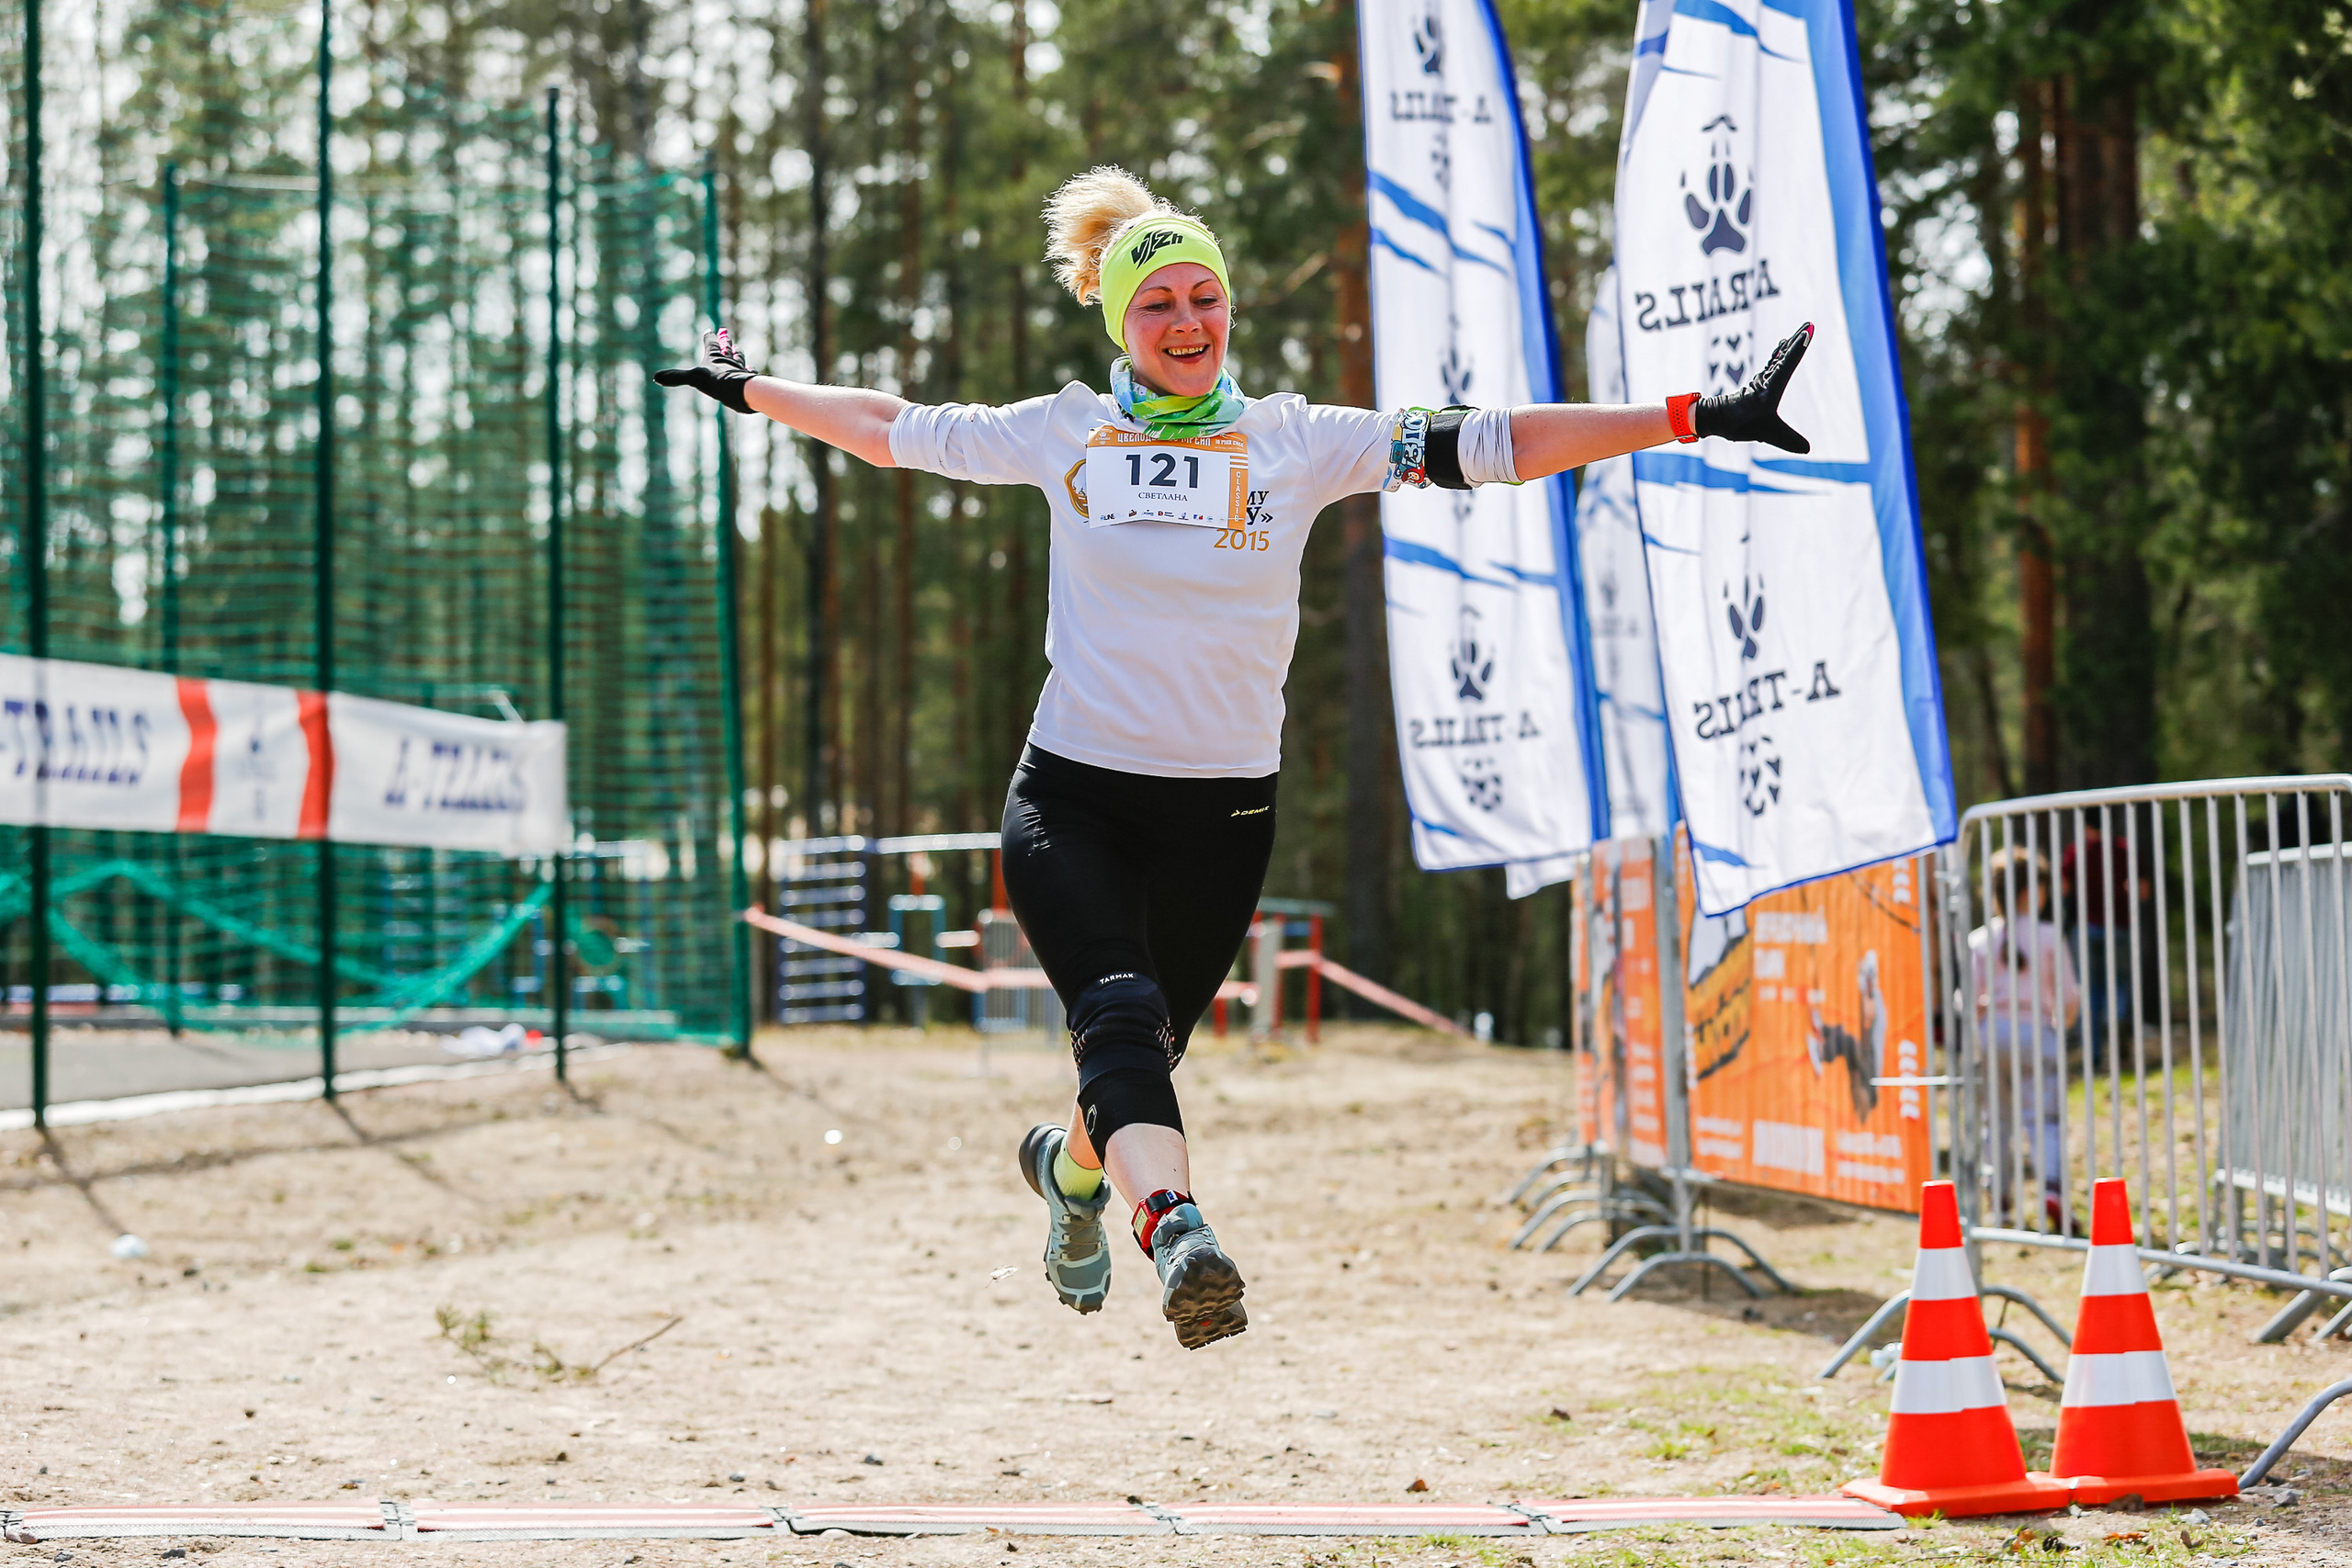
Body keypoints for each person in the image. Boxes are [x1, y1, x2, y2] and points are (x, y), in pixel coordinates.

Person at [657, 166, 1815, 1348]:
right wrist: (752, 392)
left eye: (1203, 297)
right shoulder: (1066, 429)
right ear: (1119, 322)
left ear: (1229, 308)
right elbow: (889, 432)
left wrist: (1694, 414)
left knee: (1137, 1055)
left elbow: (1495, 441)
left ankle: (1069, 1172)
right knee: (1116, 1021)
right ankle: (1178, 1231)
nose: (1186, 322)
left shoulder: (1294, 441)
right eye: (1156, 304)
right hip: (1072, 796)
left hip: (1221, 817)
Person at [1967, 846, 2080, 1226]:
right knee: (2044, 1118)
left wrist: (1980, 1026)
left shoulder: (1981, 940)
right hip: (2036, 1031)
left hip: (1993, 1034)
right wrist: (2063, 1024)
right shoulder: (2047, 935)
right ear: (2033, 891)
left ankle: (1998, 1198)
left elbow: (1967, 999)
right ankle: (2051, 1189)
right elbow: (2069, 995)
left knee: (1996, 1119)